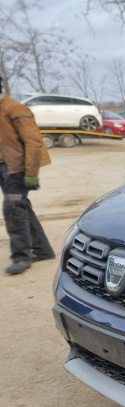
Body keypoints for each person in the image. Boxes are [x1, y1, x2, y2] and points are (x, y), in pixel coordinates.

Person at [0, 75, 55, 275]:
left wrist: (31, 173)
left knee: (13, 209)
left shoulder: (14, 108)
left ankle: (21, 257)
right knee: (22, 208)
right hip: (5, 167)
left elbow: (33, 142)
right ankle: (42, 250)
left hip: (16, 169)